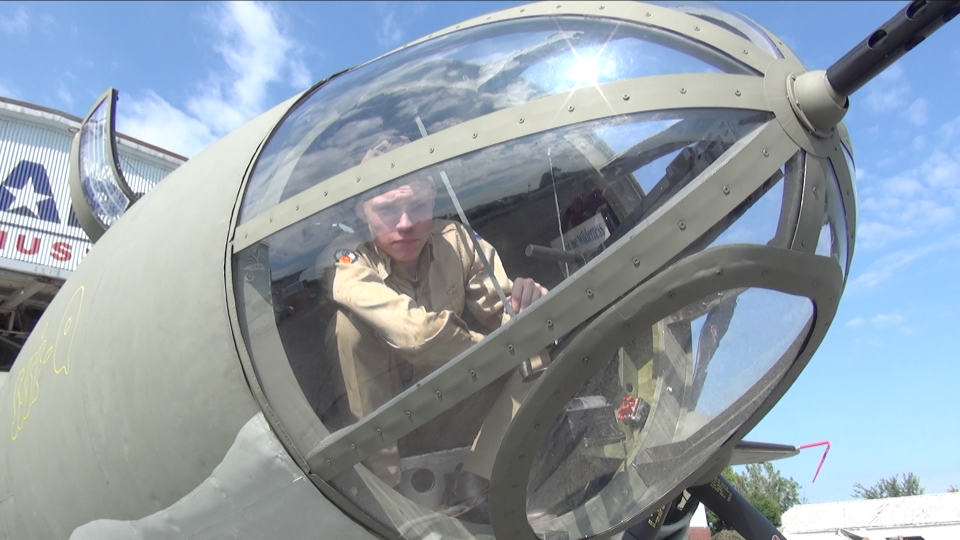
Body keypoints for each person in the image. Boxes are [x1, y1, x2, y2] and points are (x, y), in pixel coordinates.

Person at [320, 137, 547, 517]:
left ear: (434, 200)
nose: (406, 224)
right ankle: (388, 498)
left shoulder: (455, 241)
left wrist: (527, 306)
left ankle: (476, 485)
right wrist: (488, 350)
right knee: (349, 329)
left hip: (452, 401)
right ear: (362, 210)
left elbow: (504, 309)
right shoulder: (346, 257)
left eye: (418, 205)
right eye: (389, 208)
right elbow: (418, 335)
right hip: (384, 430)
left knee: (535, 348)